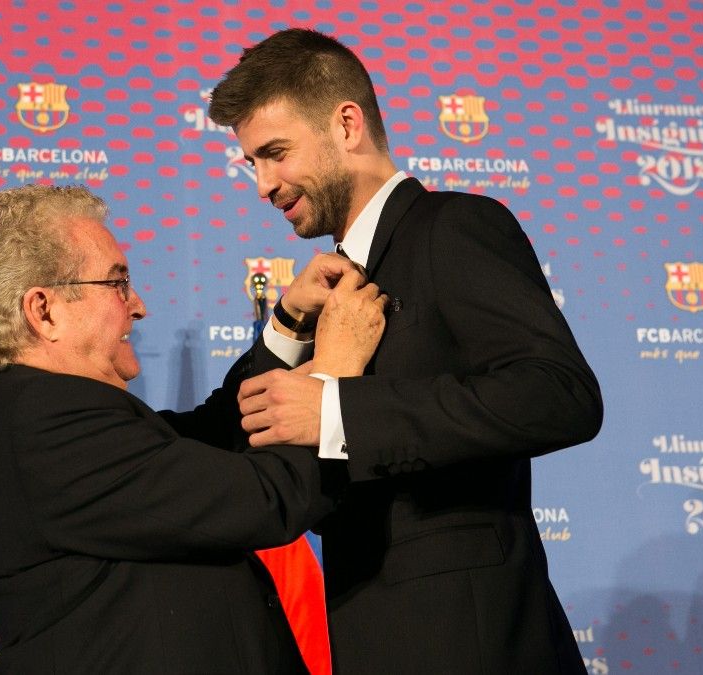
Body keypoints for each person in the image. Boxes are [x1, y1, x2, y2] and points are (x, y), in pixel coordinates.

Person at [209, 28, 603, 674]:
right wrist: (283, 324)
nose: (263, 184)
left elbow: (561, 393)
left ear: (346, 124)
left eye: (275, 153)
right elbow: (242, 434)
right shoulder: (325, 288)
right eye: (252, 162)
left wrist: (338, 414)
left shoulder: (455, 228)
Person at [0, 184, 385, 673]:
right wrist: (335, 374)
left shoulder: (43, 417)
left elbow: (216, 430)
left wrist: (288, 324)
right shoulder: (44, 428)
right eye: (116, 283)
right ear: (44, 311)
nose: (138, 305)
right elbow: (263, 499)